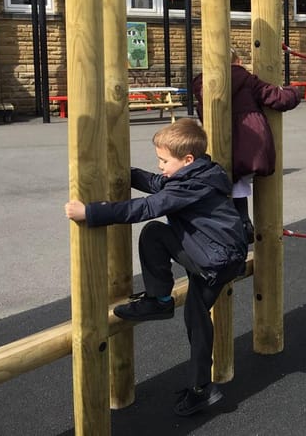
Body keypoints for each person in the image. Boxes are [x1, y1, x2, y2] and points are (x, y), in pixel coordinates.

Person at [64, 118, 247, 417]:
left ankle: (159, 300)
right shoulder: (201, 174)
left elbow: (149, 206)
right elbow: (157, 183)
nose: (160, 166)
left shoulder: (187, 186)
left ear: (187, 160)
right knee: (196, 317)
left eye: (164, 160)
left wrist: (90, 212)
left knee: (154, 233)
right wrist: (125, 172)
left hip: (212, 259)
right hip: (223, 257)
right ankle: (202, 389)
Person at [192, 48, 301, 244]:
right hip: (249, 144)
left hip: (217, 141)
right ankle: (243, 222)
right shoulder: (248, 80)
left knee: (225, 181)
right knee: (238, 181)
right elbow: (277, 98)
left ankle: (226, 225)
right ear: (239, 61)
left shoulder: (203, 85)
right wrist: (294, 91)